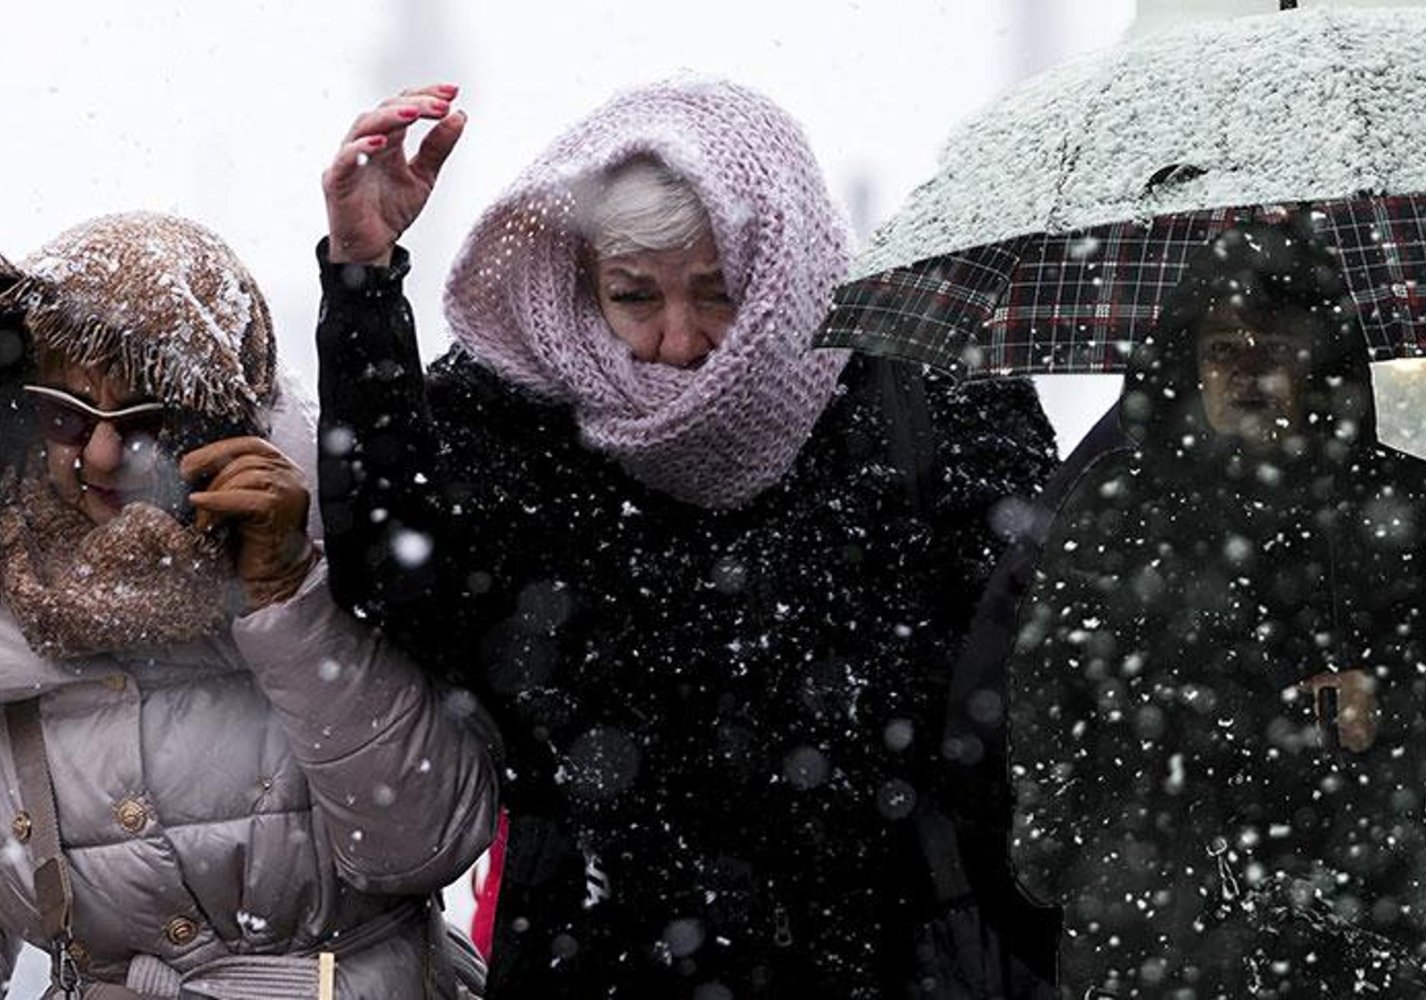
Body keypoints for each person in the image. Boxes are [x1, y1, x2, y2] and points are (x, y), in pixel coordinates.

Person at [315, 79, 1058, 996]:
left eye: (718, 293)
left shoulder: (926, 388)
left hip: (882, 946)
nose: (679, 341)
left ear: (786, 265)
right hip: (601, 950)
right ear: (585, 284)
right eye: (634, 297)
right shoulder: (529, 402)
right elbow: (395, 575)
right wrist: (363, 280)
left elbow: (1020, 660)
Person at [0, 212, 497, 997]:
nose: (97, 453)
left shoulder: (344, 553)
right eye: (66, 414)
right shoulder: (10, 595)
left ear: (222, 416)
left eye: (145, 421)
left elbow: (420, 845)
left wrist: (285, 596)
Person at [1007, 221, 1426, 998]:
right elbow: (1044, 690)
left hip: (1354, 929)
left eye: (1272, 348)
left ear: (1318, 361)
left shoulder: (1419, 507)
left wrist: (1391, 707)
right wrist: (1061, 848)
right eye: (1222, 349)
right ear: (1188, 364)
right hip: (1147, 934)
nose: (1246, 372)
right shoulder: (1114, 507)